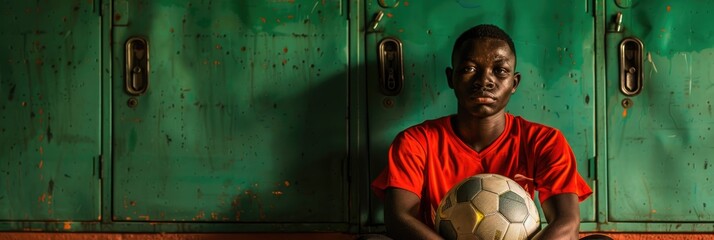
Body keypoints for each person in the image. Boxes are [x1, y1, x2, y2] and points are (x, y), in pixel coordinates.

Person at [370, 24, 593, 240]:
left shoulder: (544, 141)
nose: (484, 80)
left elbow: (567, 223)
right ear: (451, 78)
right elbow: (398, 219)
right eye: (469, 69)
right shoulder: (416, 142)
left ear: (514, 83)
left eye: (500, 71)